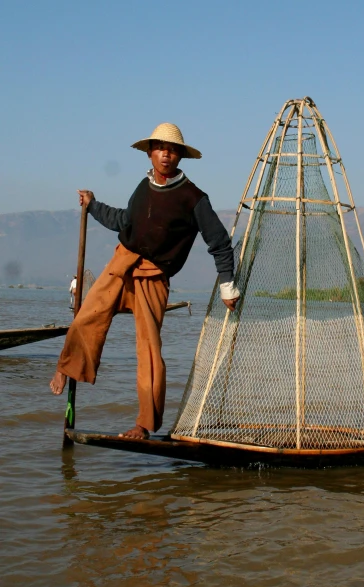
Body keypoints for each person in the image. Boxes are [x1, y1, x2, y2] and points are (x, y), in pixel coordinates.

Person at [49, 122, 240, 439]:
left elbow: (219, 242)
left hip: (154, 275)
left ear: (179, 157)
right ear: (150, 153)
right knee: (87, 316)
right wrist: (93, 205)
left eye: (172, 149)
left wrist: (227, 286)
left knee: (149, 350)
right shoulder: (143, 186)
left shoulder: (193, 198)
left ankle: (144, 423)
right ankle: (66, 366)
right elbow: (123, 221)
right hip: (123, 261)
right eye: (160, 148)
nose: (166, 154)